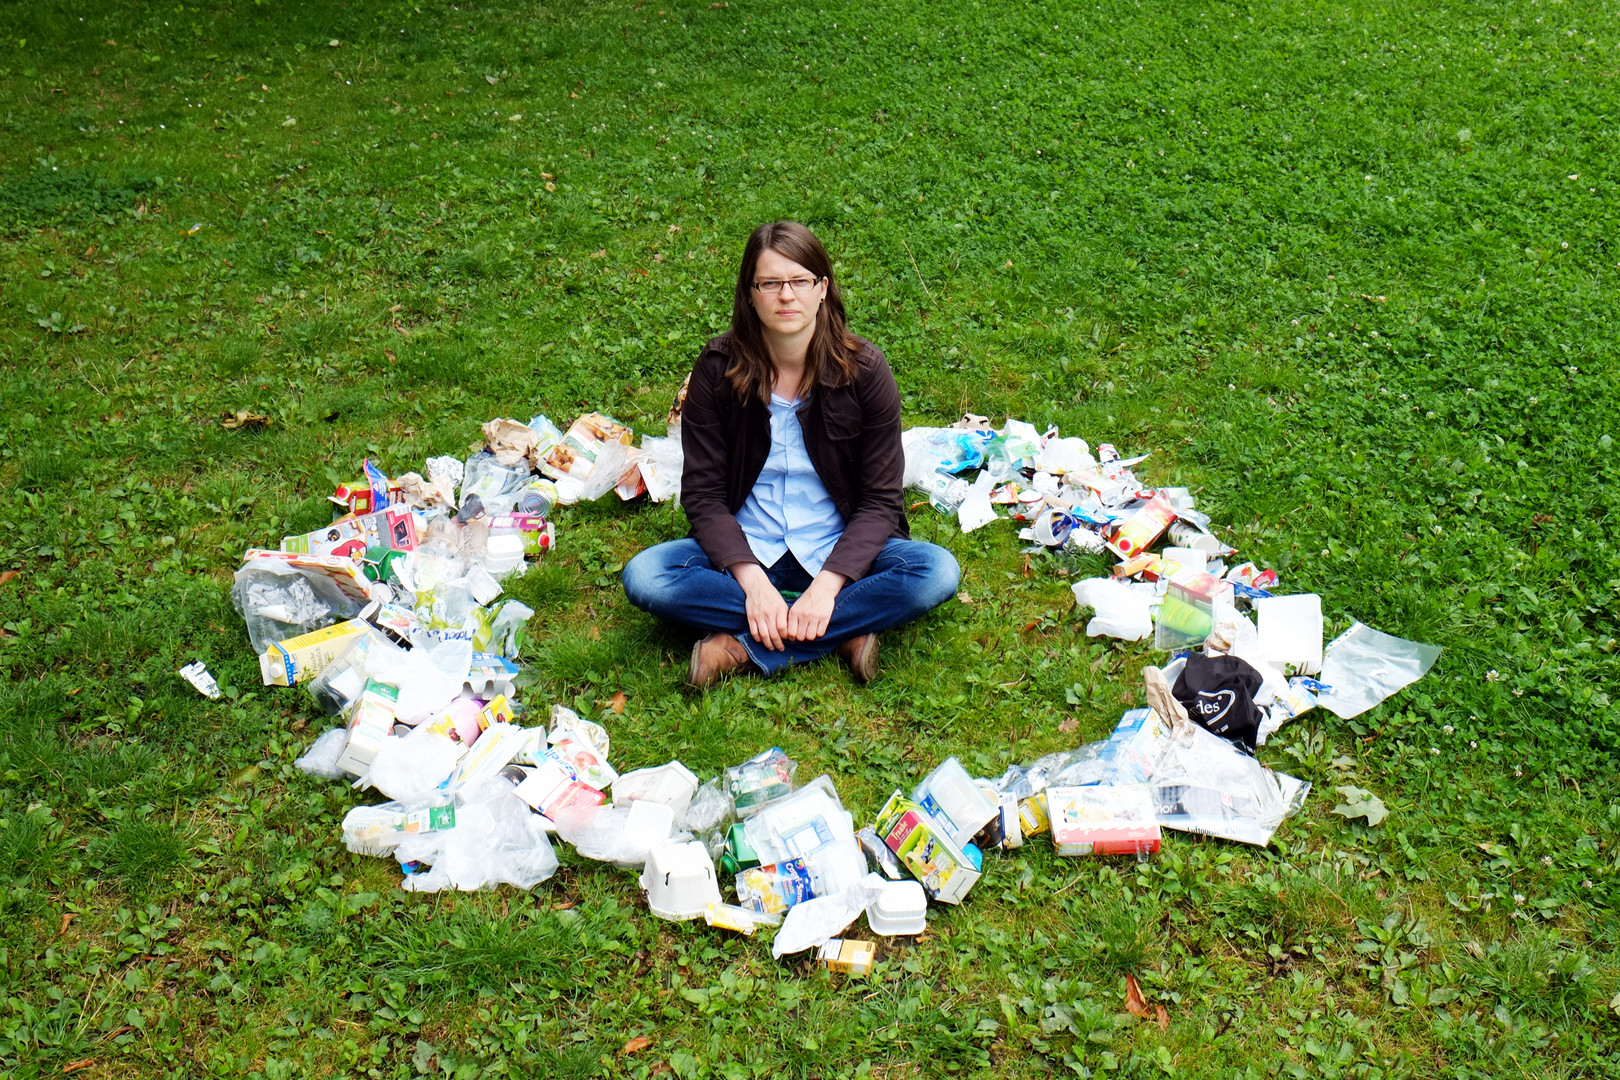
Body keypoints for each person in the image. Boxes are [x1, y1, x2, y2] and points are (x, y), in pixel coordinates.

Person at [622, 221, 959, 688]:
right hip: (748, 548)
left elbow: (882, 501)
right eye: (770, 283)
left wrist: (827, 587)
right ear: (750, 293)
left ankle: (741, 647)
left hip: (837, 550)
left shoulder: (865, 371)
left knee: (934, 571)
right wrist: (754, 585)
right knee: (648, 576)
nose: (786, 295)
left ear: (822, 289)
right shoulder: (717, 370)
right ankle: (844, 632)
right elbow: (702, 496)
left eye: (800, 281)